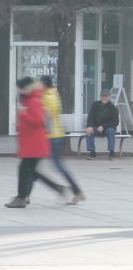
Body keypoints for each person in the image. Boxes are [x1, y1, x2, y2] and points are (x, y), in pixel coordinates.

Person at [5, 77, 64, 208]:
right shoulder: (28, 100)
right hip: (31, 143)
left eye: (19, 88)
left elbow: (38, 121)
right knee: (31, 171)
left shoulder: (34, 101)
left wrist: (23, 114)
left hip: (35, 144)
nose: (17, 91)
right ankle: (56, 189)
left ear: (25, 88)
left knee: (25, 170)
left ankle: (21, 197)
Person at [41, 76, 85, 204]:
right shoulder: (55, 95)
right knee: (55, 165)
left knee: (53, 166)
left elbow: (46, 117)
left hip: (51, 137)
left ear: (44, 85)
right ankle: (76, 191)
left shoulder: (46, 97)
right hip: (57, 135)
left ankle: (76, 191)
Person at [85, 88, 120, 160]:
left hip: (107, 128)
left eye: (106, 96)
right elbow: (90, 116)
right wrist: (89, 126)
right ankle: (92, 152)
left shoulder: (113, 107)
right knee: (89, 130)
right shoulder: (95, 104)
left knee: (111, 131)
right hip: (96, 127)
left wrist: (103, 126)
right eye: (102, 96)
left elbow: (115, 122)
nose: (104, 98)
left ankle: (112, 152)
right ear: (100, 97)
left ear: (109, 97)